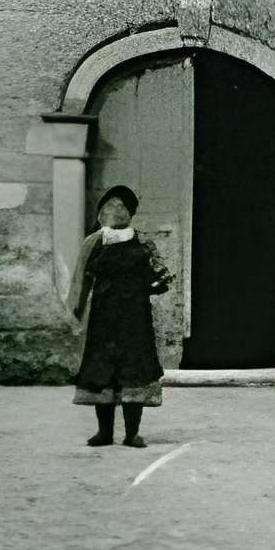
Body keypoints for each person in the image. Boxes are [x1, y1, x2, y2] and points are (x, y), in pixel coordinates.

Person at [66, 185, 176, 448]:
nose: (114, 212)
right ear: (101, 212)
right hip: (102, 321)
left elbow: (162, 280)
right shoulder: (93, 244)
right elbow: (80, 282)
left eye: (121, 207)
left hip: (134, 321)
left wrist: (149, 285)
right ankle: (104, 433)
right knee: (102, 373)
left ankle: (131, 433)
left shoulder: (144, 246)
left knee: (134, 372)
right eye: (108, 207)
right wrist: (74, 315)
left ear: (131, 213)